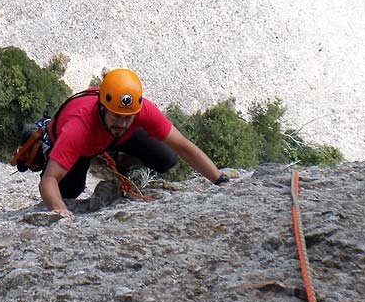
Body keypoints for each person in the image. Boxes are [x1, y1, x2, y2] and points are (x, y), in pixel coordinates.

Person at [39, 68, 229, 217]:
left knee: (166, 158)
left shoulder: (140, 110)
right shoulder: (78, 128)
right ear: (103, 108)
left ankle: (120, 159)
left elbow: (182, 146)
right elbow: (49, 180)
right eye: (117, 116)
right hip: (81, 145)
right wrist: (60, 210)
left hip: (111, 140)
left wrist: (219, 180)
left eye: (128, 117)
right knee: (69, 192)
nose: (122, 123)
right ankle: (99, 157)